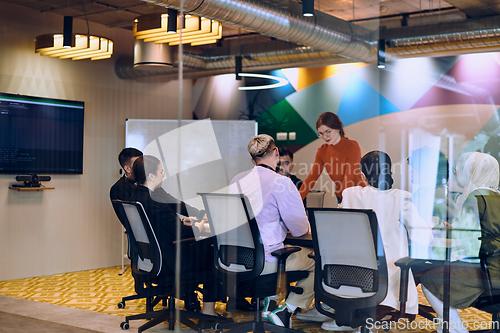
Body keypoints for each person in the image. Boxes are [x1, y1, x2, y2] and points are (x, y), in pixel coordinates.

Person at [317, 151, 432, 331]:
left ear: (363, 175)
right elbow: (424, 238)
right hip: (386, 283)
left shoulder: (349, 195)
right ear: (390, 172)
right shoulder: (401, 198)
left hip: (349, 278)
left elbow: (337, 231)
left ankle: (352, 318)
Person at [229, 134, 315, 329]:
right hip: (265, 262)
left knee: (281, 250)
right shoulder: (282, 183)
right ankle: (286, 311)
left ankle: (271, 302)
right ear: (276, 152)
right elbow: (300, 229)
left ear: (253, 159)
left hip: (236, 260)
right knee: (317, 261)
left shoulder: (237, 180)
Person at [129, 155, 219, 317]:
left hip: (151, 259)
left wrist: (184, 222)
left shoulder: (136, 197)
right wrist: (200, 226)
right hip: (169, 260)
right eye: (161, 171)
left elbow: (164, 226)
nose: (163, 175)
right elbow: (180, 232)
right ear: (151, 176)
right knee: (213, 251)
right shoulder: (154, 199)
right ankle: (208, 312)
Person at [420, 152, 500, 333]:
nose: (457, 173)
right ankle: (445, 328)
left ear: (473, 172)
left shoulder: (475, 196)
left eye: (462, 169)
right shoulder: (496, 196)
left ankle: (456, 330)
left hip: (488, 271)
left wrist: (447, 232)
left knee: (430, 280)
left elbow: (468, 242)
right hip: (495, 265)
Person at [299, 112, 365, 204]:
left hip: (357, 195)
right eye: (321, 133)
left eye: (328, 132)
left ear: (338, 128)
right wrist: (297, 201)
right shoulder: (322, 151)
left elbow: (348, 177)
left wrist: (344, 201)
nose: (325, 137)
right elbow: (311, 178)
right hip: (341, 196)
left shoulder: (352, 146)